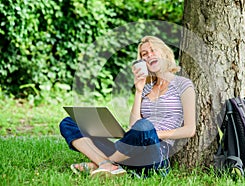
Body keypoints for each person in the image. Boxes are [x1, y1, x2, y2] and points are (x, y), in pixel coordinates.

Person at [59, 36, 196, 178]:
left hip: (156, 151)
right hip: (130, 147)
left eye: (153, 51)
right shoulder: (146, 87)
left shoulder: (183, 84)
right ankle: (109, 164)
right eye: (144, 54)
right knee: (69, 123)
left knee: (144, 126)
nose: (149, 55)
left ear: (164, 53)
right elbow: (133, 126)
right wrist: (138, 90)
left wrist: (152, 133)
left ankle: (105, 163)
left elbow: (190, 129)